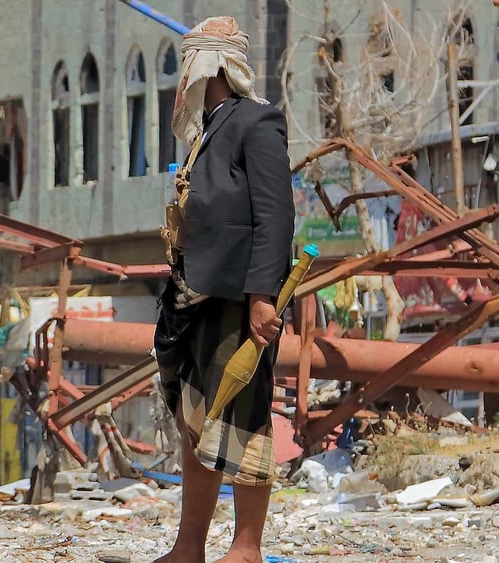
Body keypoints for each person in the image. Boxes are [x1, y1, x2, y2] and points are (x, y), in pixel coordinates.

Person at [153, 15, 294, 563]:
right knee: (197, 424)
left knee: (243, 421)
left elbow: (275, 218)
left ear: (209, 65)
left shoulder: (257, 122)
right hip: (194, 296)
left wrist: (263, 296)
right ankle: (189, 548)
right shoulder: (206, 132)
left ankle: (246, 549)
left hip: (240, 301)